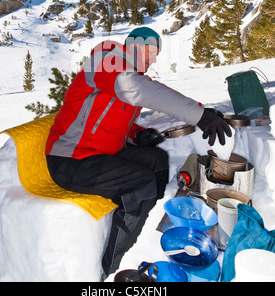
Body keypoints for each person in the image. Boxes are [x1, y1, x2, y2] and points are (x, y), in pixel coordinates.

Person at [45, 27, 232, 279]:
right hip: (70, 160)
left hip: (100, 154)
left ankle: (144, 224)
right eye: (151, 51)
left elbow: (110, 117)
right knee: (141, 184)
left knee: (157, 160)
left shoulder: (126, 74)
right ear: (134, 44)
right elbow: (134, 89)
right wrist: (199, 115)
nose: (154, 59)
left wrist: (137, 135)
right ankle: (112, 265)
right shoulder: (106, 58)